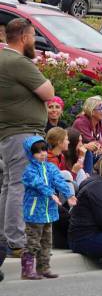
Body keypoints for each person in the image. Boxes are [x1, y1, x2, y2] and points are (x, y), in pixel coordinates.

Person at [0, 17, 55, 267]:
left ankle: (5, 236)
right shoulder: (17, 61)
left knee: (10, 185)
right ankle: (16, 241)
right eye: (33, 36)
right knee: (21, 185)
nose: (34, 41)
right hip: (23, 132)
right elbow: (48, 92)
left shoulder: (4, 59)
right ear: (23, 37)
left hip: (11, 133)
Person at [21, 135, 75, 279]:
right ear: (30, 154)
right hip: (34, 212)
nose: (43, 154)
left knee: (46, 242)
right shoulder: (29, 171)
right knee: (33, 241)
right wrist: (51, 194)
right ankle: (27, 270)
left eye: (44, 150)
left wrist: (69, 194)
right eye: (38, 151)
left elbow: (59, 180)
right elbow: (38, 184)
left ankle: (43, 268)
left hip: (48, 212)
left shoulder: (50, 167)